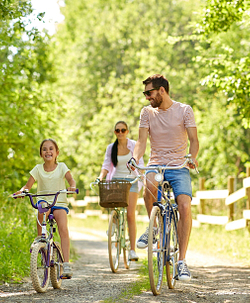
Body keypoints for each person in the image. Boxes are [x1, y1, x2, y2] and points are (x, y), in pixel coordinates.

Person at [132, 74, 199, 281]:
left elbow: (194, 140)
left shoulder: (184, 110)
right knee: (148, 186)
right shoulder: (147, 113)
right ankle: (153, 227)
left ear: (162, 90)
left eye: (149, 93)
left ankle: (182, 262)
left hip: (179, 166)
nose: (146, 97)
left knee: (185, 206)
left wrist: (192, 157)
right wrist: (135, 159)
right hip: (156, 164)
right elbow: (141, 143)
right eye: (145, 93)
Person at [14, 138, 76, 279]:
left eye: (51, 149)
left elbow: (71, 179)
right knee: (42, 211)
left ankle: (66, 263)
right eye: (44, 149)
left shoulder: (62, 167)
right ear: (41, 154)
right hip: (44, 200)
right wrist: (22, 191)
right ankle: (41, 242)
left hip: (59, 201)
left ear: (57, 153)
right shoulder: (37, 169)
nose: (48, 151)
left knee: (63, 228)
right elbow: (27, 186)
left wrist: (72, 186)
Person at [99, 121, 144, 261]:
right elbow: (106, 164)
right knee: (115, 206)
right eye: (117, 130)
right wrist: (100, 177)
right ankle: (113, 223)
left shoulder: (134, 145)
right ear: (115, 132)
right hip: (116, 180)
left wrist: (144, 176)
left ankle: (132, 250)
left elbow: (140, 163)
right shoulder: (111, 148)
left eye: (123, 130)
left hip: (131, 181)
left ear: (127, 132)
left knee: (130, 214)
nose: (120, 133)